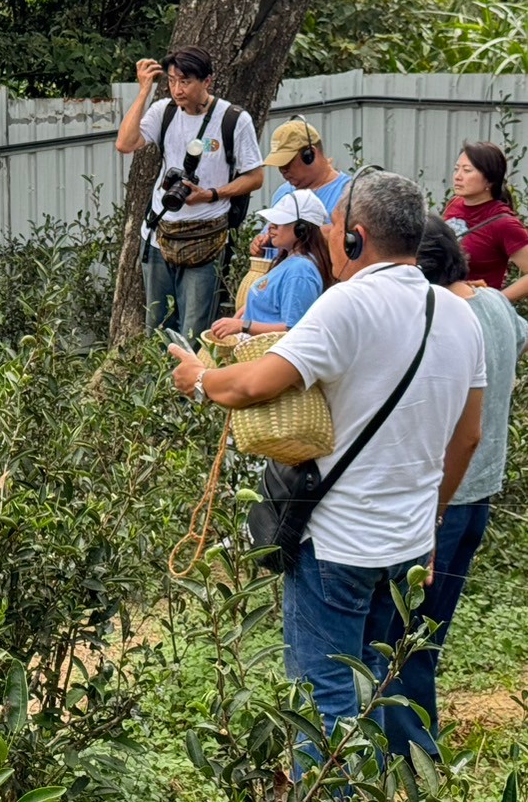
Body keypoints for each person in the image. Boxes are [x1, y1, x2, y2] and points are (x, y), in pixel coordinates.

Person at [168, 171, 484, 773]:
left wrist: (200, 380)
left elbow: (256, 383)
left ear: (358, 238)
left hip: (337, 543)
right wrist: (434, 511)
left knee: (325, 696)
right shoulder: (457, 313)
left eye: (337, 229)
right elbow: (467, 436)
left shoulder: (349, 303)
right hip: (410, 547)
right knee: (375, 680)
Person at [383, 215, 528, 759]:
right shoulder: (495, 306)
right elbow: (518, 344)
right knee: (426, 635)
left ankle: (418, 764)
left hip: (444, 500)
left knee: (405, 643)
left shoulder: (445, 320)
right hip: (481, 492)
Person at [115, 46, 264, 340]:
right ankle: (159, 386)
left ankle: (187, 384)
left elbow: (255, 177)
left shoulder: (233, 118)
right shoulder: (165, 112)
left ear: (207, 81)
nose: (177, 89)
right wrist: (145, 90)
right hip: (161, 232)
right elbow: (125, 143)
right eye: (171, 81)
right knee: (156, 327)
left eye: (185, 81)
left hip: (206, 237)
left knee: (193, 331)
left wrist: (210, 194)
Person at [210, 189, 332, 337]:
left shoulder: (301, 271)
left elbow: (293, 330)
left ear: (301, 229)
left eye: (279, 222)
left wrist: (243, 325)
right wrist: (239, 318)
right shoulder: (288, 260)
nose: (270, 227)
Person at [250, 118, 354, 257]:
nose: (282, 170)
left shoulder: (348, 193)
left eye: (287, 163)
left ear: (309, 154)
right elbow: (270, 233)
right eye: (279, 165)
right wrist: (261, 245)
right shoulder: (284, 192)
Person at [442, 141, 528, 300]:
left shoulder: (504, 223)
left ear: (490, 180)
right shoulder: (454, 204)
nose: (458, 176)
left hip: (475, 315)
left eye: (467, 170)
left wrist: (496, 301)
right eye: (456, 169)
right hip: (443, 305)